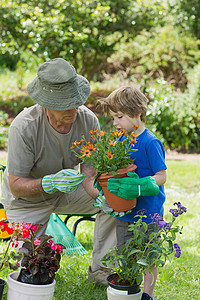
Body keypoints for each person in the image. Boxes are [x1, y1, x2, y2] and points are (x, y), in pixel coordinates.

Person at [1, 58, 116, 285]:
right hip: (26, 199)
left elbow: (89, 174)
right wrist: (48, 183)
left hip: (67, 190)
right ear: (46, 103)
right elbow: (16, 184)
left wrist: (101, 196)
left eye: (76, 101)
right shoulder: (24, 127)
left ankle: (101, 270)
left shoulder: (87, 121)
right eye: (65, 103)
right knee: (29, 268)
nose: (73, 109)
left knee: (114, 200)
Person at [96, 86, 167, 300]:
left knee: (148, 257)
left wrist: (141, 186)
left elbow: (161, 176)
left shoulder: (150, 142)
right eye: (113, 118)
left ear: (137, 113)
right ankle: (131, 291)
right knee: (126, 253)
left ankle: (147, 294)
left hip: (148, 214)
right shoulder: (122, 141)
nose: (115, 123)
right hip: (125, 211)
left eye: (119, 117)